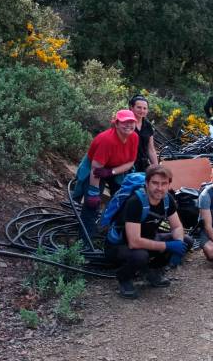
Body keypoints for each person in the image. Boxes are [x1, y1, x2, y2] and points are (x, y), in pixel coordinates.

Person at [104, 165, 186, 299]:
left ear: (168, 184)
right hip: (119, 246)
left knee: (186, 241)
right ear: (147, 183)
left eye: (163, 183)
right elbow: (134, 242)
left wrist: (179, 244)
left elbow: (177, 227)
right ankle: (124, 278)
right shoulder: (135, 202)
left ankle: (151, 271)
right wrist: (167, 246)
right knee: (140, 255)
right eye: (155, 183)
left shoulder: (167, 199)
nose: (159, 188)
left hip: (148, 239)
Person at [76, 109, 140, 241]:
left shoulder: (134, 137)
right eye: (124, 122)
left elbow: (130, 162)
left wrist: (111, 172)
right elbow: (96, 168)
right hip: (96, 170)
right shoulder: (107, 140)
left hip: (117, 168)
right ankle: (84, 239)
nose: (129, 125)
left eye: (131, 122)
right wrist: (93, 191)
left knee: (122, 199)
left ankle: (107, 231)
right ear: (116, 124)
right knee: (91, 204)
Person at [129, 95, 158, 172]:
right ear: (131, 108)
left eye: (145, 108)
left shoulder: (147, 125)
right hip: (127, 165)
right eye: (139, 107)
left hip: (144, 165)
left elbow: (151, 149)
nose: (142, 111)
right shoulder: (126, 124)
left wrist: (156, 168)